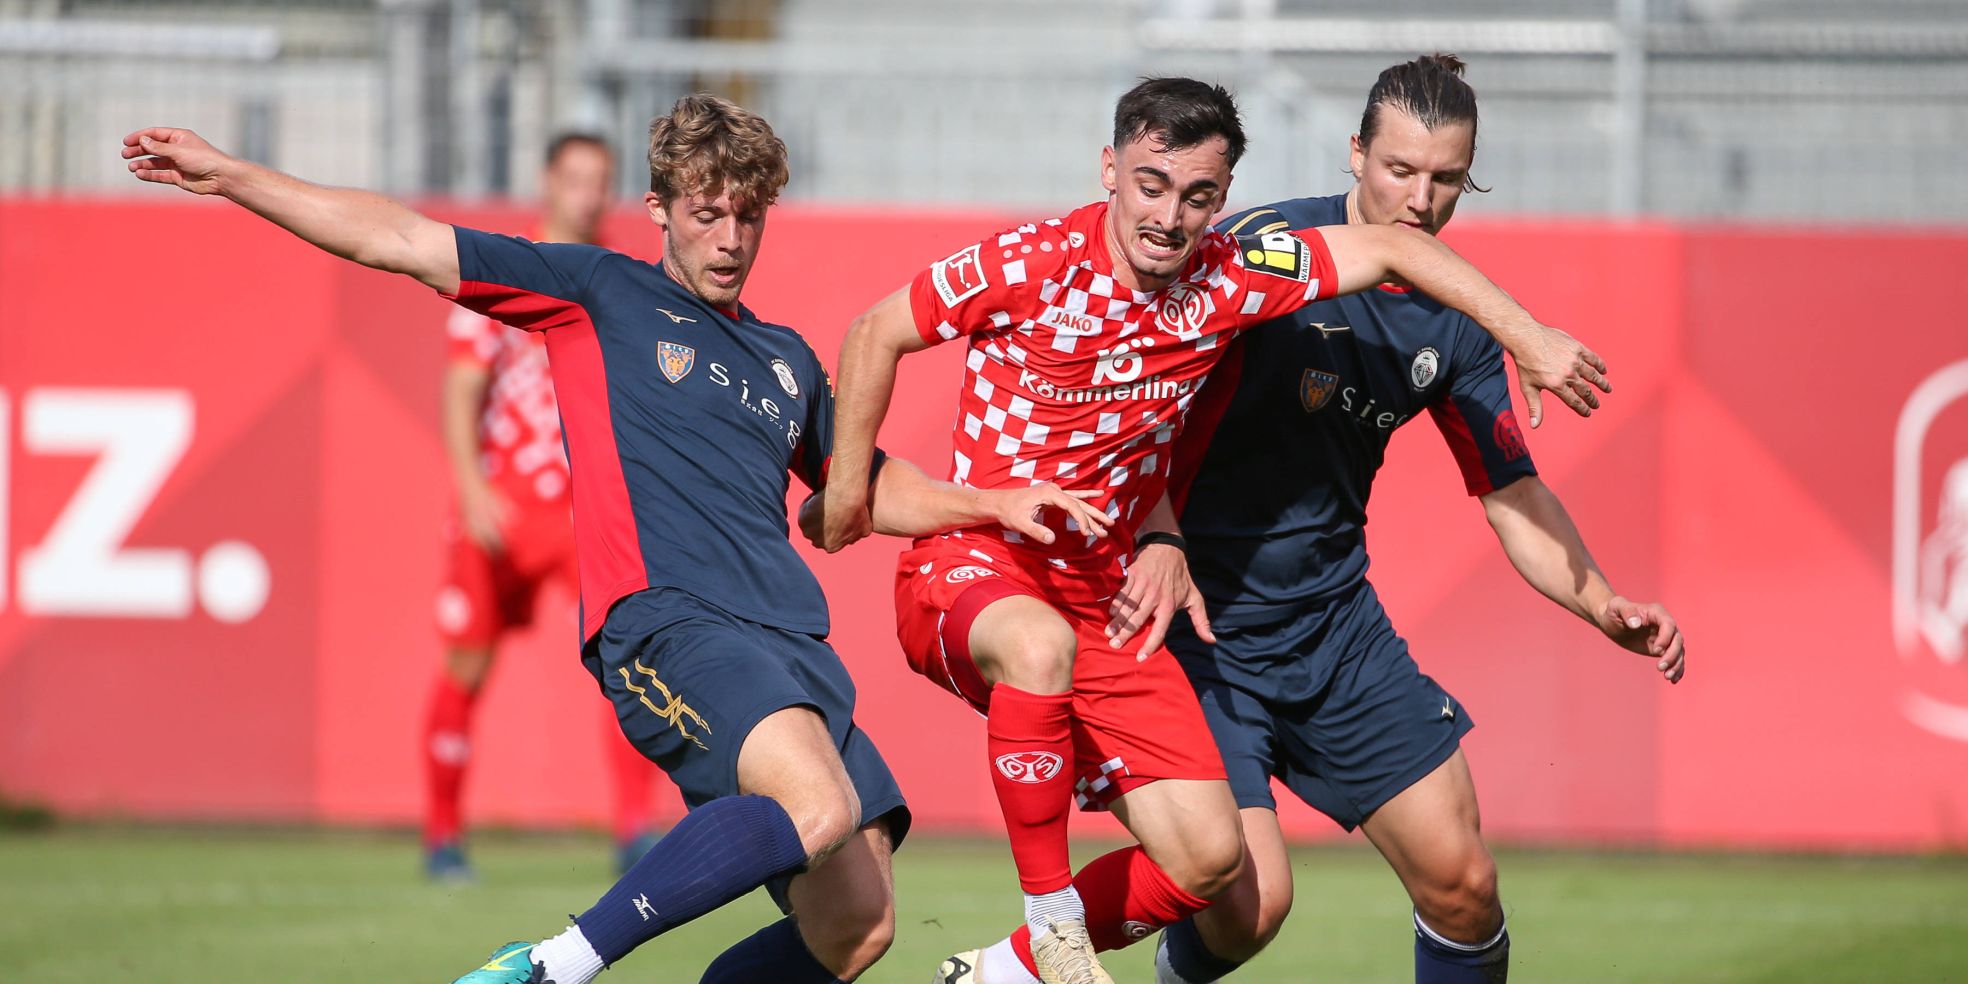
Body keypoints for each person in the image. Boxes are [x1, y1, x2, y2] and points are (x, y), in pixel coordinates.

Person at [122, 94, 1090, 984]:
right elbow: (405, 241)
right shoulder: (597, 290)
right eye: (707, 213)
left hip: (791, 646)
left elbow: (861, 489)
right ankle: (558, 963)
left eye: (748, 215)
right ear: (659, 207)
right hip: (669, 625)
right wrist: (234, 176)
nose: (729, 237)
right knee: (818, 809)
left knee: (859, 924)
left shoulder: (787, 359)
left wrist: (994, 504)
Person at [813, 76, 1612, 984]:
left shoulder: (1231, 281)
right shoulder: (1032, 260)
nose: (1167, 215)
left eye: (1196, 196)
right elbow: (876, 329)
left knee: (1214, 864)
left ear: (1221, 202)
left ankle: (1005, 971)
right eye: (1150, 185)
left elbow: (1398, 255)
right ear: (1109, 168)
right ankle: (1054, 932)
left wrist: (1527, 337)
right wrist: (847, 494)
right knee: (1036, 651)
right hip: (985, 567)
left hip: (1118, 599)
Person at [1083, 55, 1687, 984]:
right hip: (1192, 627)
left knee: (1463, 883)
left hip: (1332, 631)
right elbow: (1137, 413)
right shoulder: (1257, 249)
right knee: (1249, 906)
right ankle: (1037, 959)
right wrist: (1153, 536)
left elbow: (1512, 494)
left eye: (1446, 178)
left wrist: (1604, 604)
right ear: (1356, 152)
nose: (1420, 197)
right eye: (1399, 169)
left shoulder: (1456, 323)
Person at [424, 131, 664, 882]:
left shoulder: (615, 281)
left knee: (624, 659)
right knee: (467, 659)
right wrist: (470, 488)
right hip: (502, 508)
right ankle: (442, 838)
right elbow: (463, 384)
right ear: (547, 182)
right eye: (576, 177)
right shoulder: (505, 268)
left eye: (602, 179)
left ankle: (634, 831)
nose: (589, 193)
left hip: (582, 515)